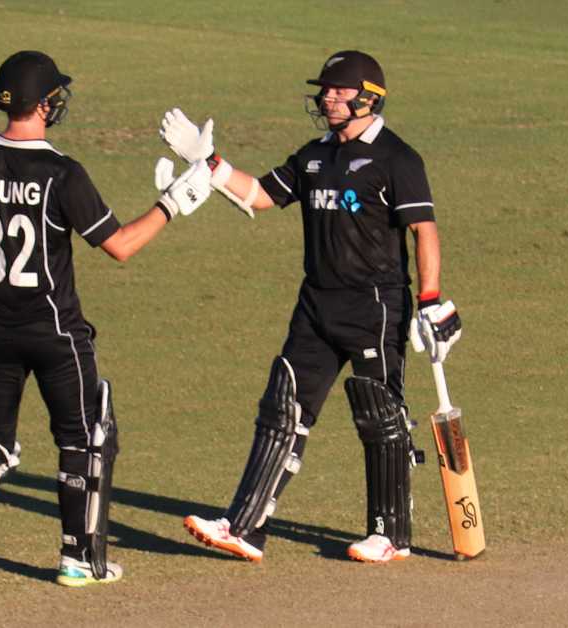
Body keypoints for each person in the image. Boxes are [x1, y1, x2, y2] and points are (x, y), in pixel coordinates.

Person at [0, 50, 212, 589]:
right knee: (84, 439)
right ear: (42, 105)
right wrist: (172, 203)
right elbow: (121, 246)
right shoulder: (63, 173)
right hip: (56, 333)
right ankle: (78, 559)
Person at [160, 50, 462, 563]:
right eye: (325, 90)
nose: (328, 99)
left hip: (374, 306)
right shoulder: (313, 156)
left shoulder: (396, 158)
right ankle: (244, 527)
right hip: (316, 304)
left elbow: (423, 230)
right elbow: (260, 195)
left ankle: (390, 535)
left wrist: (430, 301)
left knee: (380, 416)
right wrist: (209, 164)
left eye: (339, 91)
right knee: (283, 408)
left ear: (369, 97)